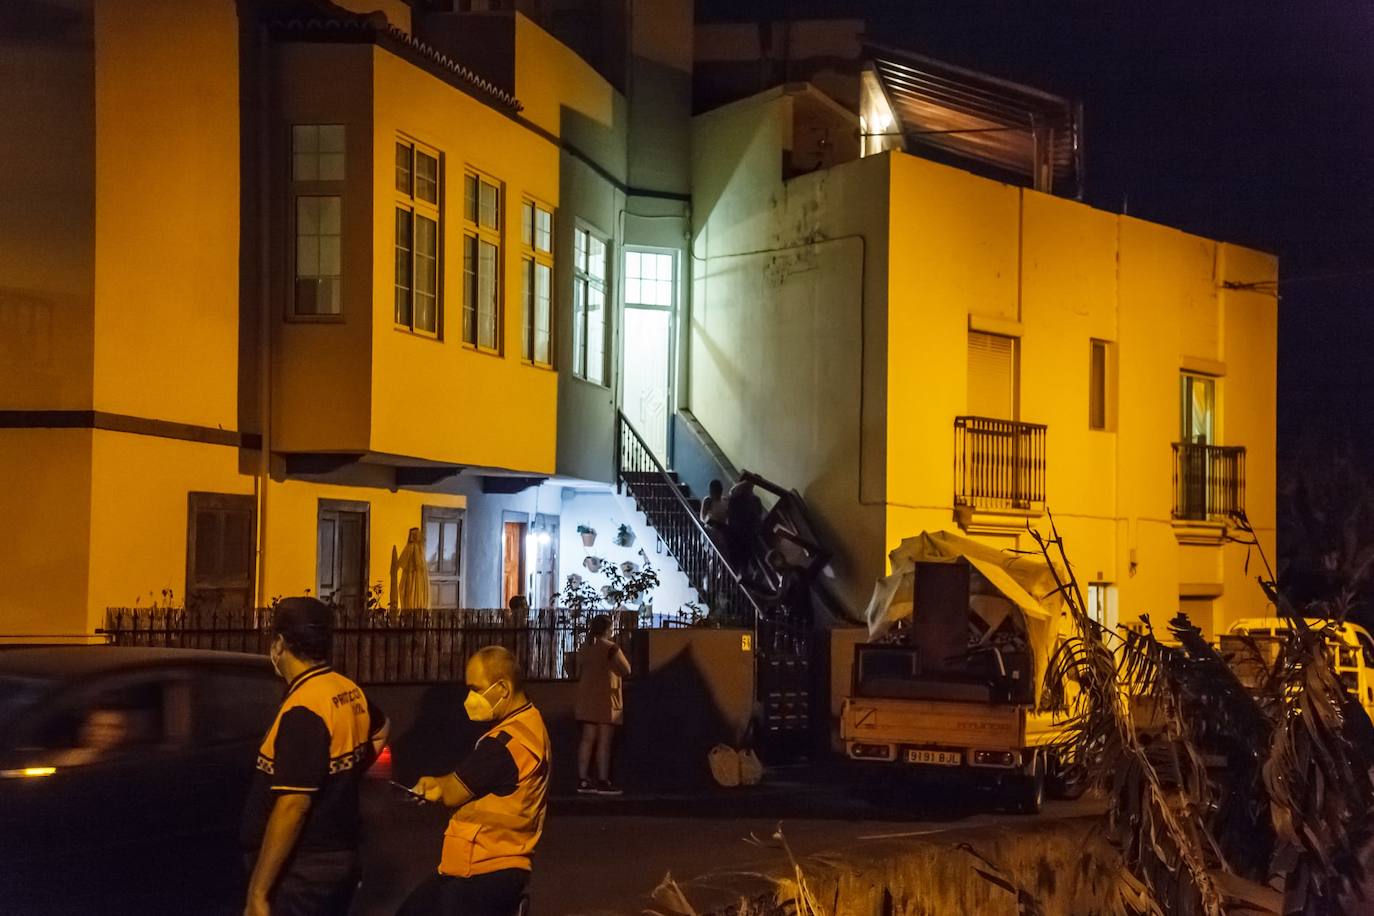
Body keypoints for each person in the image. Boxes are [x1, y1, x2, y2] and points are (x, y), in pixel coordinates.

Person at [242, 597, 389, 916]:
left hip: (303, 871)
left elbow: (293, 806)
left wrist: (258, 891)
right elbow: (381, 729)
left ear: (280, 644)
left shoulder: (305, 709)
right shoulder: (346, 690)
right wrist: (344, 776)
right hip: (339, 859)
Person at [400, 646, 550, 916]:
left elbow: (454, 792)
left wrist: (434, 786)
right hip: (493, 864)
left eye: (476, 689)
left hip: (484, 867)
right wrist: (436, 785)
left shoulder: (504, 745)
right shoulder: (529, 723)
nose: (469, 699)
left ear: (502, 688)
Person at [574, 614, 632, 796]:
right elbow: (626, 669)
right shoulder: (611, 648)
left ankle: (583, 779)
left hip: (587, 697)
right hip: (606, 698)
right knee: (604, 742)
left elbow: (575, 668)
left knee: (587, 740)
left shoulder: (585, 648)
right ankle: (603, 780)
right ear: (608, 629)